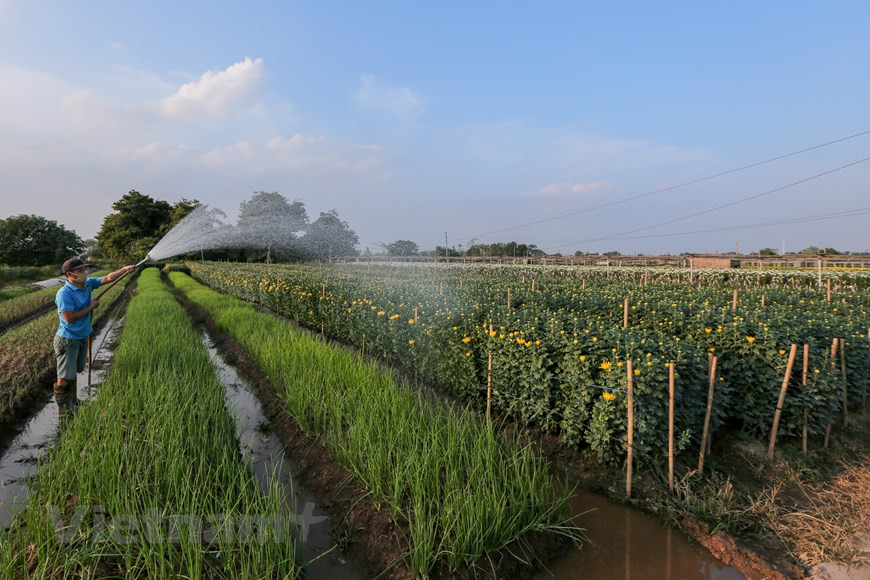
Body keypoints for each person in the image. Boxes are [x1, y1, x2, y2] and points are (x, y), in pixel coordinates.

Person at [53, 258, 135, 420]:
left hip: (82, 336)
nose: (84, 273)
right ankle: (64, 411)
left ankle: (73, 403)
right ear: (70, 274)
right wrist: (91, 307)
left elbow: (108, 278)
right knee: (64, 377)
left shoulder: (87, 284)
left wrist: (125, 269)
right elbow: (69, 317)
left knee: (73, 373)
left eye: (84, 269)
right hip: (67, 341)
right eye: (80, 271)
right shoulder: (65, 293)